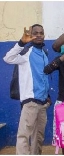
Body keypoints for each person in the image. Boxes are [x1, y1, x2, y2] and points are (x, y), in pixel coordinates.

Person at [3, 24, 51, 155]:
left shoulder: (44, 53)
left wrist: (48, 97)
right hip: (30, 101)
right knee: (24, 136)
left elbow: (43, 77)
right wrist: (21, 43)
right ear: (30, 34)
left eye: (41, 32)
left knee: (38, 138)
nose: (39, 35)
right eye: (35, 33)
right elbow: (8, 58)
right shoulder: (26, 53)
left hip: (42, 103)